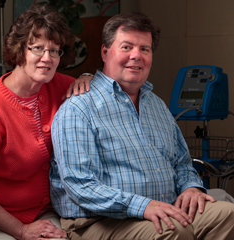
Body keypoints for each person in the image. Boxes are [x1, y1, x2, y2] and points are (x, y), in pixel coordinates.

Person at [50, 11, 234, 240]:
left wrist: (191, 188)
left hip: (163, 209)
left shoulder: (156, 105)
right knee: (173, 230)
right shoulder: (79, 108)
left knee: (228, 214)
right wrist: (143, 206)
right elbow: (81, 187)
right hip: (99, 221)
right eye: (126, 47)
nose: (136, 56)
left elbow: (182, 163)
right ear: (105, 52)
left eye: (144, 49)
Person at [0, 4, 92, 240]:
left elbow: (100, 86)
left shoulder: (58, 86)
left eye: (55, 51)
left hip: (41, 213)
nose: (47, 58)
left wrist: (88, 77)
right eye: (38, 48)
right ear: (20, 49)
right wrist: (21, 231)